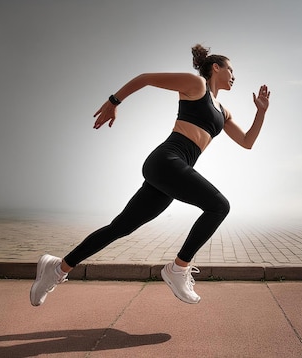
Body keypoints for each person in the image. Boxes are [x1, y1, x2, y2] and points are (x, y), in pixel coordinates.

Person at [30, 44, 270, 306]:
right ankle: (178, 269)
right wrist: (113, 102)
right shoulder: (196, 85)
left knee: (121, 227)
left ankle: (57, 269)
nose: (234, 75)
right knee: (219, 206)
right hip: (167, 161)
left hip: (171, 172)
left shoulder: (223, 113)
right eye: (231, 69)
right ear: (216, 67)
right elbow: (146, 79)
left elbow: (247, 141)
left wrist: (261, 112)